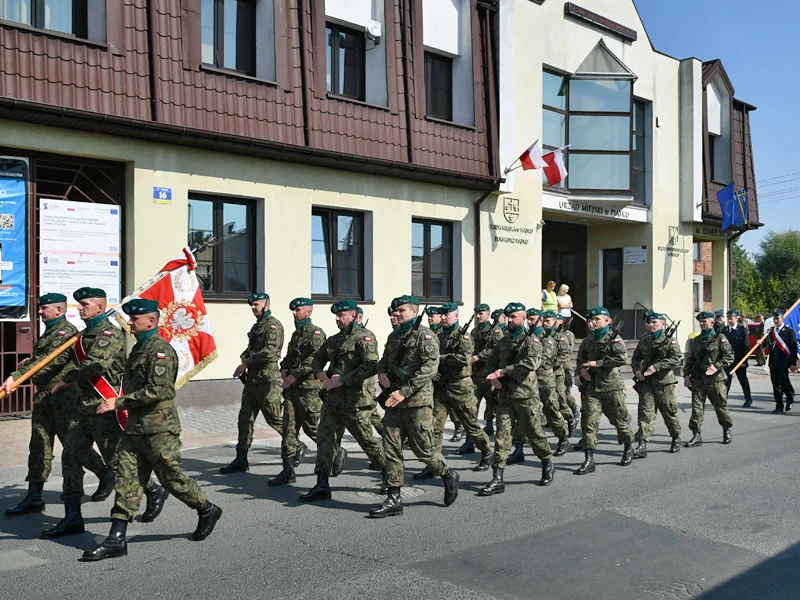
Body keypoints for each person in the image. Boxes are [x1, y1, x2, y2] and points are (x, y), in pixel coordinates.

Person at [81, 299, 222, 561]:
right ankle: (116, 539)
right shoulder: (139, 349)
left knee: (171, 479)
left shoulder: (160, 351)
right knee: (126, 480)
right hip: (135, 428)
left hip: (159, 428)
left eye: (135, 319)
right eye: (130, 319)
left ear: (151, 321)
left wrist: (118, 403)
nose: (130, 322)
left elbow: (159, 390)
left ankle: (206, 508)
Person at [2, 293, 107, 517]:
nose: (39, 312)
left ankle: (105, 474)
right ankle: (34, 496)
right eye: (39, 308)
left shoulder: (65, 332)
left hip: (64, 398)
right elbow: (41, 358)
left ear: (58, 311)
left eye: (44, 308)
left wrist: (18, 374)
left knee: (74, 446)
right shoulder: (49, 332)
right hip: (44, 397)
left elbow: (50, 361)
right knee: (39, 445)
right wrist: (27, 364)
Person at [44, 287, 127, 539]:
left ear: (100, 308)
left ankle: (152, 492)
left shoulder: (110, 333)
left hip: (104, 405)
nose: (79, 308)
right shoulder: (82, 335)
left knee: (117, 462)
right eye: (78, 304)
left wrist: (68, 377)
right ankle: (72, 518)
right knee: (70, 456)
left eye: (84, 304)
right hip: (83, 407)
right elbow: (59, 358)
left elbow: (96, 364)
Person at [371, 295, 458, 518]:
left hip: (417, 403)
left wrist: (404, 391)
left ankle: (447, 474)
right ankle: (394, 498)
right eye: (395, 311)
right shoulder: (394, 336)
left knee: (424, 450)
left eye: (401, 310)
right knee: (390, 448)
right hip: (394, 402)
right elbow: (384, 360)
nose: (397, 314)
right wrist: (381, 373)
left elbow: (429, 369)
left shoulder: (425, 336)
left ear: (414, 310)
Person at [299, 300, 385, 502]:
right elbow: (317, 359)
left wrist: (343, 380)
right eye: (336, 316)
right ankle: (322, 484)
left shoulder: (365, 338)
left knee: (368, 442)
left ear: (354, 315)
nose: (337, 319)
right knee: (325, 439)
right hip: (333, 400)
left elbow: (371, 366)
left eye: (341, 315)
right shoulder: (334, 340)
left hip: (355, 401)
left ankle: (389, 475)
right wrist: (322, 376)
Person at [478, 302, 555, 495]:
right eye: (508, 317)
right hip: (505, 396)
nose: (510, 320)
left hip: (525, 395)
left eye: (514, 317)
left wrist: (503, 372)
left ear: (523, 318)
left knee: (535, 433)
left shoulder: (533, 341)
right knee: (502, 436)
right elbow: (491, 363)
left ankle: (547, 462)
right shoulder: (503, 342)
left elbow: (530, 364)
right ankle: (497, 478)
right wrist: (492, 378)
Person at [417, 303, 492, 480]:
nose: (443, 318)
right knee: (434, 427)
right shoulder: (437, 336)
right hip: (441, 388)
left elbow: (464, 359)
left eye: (447, 315)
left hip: (460, 388)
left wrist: (439, 359)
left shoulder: (464, 337)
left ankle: (487, 450)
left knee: (470, 426)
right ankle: (434, 464)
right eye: (441, 315)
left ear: (456, 316)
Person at [221, 293, 284, 473]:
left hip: (267, 381)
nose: (253, 308)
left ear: (267, 304)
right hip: (253, 380)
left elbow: (270, 352)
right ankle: (241, 458)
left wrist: (246, 363)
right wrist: (245, 355)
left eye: (256, 304)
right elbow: (253, 348)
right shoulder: (258, 326)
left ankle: (294, 446)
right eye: (252, 305)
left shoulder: (273, 325)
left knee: (275, 419)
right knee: (245, 419)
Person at [269, 298, 326, 486]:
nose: (294, 313)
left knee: (313, 428)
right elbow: (289, 357)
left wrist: (293, 375)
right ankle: (287, 468)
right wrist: (284, 368)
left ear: (308, 312)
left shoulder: (316, 333)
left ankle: (333, 451)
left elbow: (313, 360)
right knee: (288, 429)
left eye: (298, 310)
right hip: (293, 390)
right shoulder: (297, 334)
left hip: (308, 390)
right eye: (293, 310)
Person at [575, 307, 634, 474]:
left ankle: (628, 448)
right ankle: (589, 459)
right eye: (591, 320)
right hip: (592, 387)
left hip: (611, 387)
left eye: (597, 320)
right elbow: (581, 359)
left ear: (607, 321)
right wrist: (581, 371)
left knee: (620, 422)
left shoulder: (615, 339)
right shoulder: (588, 340)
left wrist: (597, 364)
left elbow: (621, 359)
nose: (592, 323)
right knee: (589, 423)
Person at [630, 312, 683, 458]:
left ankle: (675, 437)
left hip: (664, 383)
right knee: (645, 413)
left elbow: (677, 358)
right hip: (647, 383)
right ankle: (642, 444)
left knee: (669, 412)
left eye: (654, 322)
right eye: (649, 322)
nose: (651, 325)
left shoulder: (670, 341)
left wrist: (657, 366)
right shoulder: (644, 340)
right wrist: (636, 371)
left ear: (663, 324)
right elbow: (635, 358)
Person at [683, 311, 734, 447]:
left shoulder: (719, 338)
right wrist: (686, 375)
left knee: (721, 408)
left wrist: (716, 366)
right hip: (698, 380)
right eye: (700, 321)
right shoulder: (698, 340)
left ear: (712, 323)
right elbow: (691, 360)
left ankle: (726, 429)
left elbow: (729, 356)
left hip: (715, 381)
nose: (702, 323)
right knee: (696, 409)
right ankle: (696, 435)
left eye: (704, 321)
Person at [534, 312, 570, 455]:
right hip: (530, 381)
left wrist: (555, 368)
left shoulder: (550, 339)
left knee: (552, 409)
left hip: (548, 378)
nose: (544, 323)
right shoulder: (530, 337)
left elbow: (562, 356)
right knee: (529, 412)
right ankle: (520, 447)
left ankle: (562, 437)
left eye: (547, 320)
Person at [470, 304, 504, 438]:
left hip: (489, 372)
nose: (479, 316)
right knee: (473, 402)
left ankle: (489, 423)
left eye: (481, 313)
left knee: (491, 401)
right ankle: (471, 432)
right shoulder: (475, 331)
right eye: (477, 314)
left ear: (488, 314)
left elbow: (498, 350)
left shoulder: (495, 331)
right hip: (476, 373)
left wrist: (480, 356)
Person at [766, 309, 797, 412]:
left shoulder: (789, 331)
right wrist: (759, 342)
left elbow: (793, 348)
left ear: (782, 318)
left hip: (784, 361)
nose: (775, 321)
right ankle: (779, 406)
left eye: (777, 318)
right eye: (774, 318)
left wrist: (793, 363)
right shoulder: (771, 332)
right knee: (775, 384)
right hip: (774, 362)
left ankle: (790, 397)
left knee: (783, 381)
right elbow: (767, 345)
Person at [722, 310, 753, 408]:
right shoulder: (724, 330)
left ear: (736, 318)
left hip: (740, 360)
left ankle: (748, 399)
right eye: (728, 318)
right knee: (726, 381)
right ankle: (723, 400)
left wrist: (744, 361)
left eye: (731, 318)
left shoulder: (742, 330)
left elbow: (746, 346)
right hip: (728, 361)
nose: (730, 320)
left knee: (743, 380)